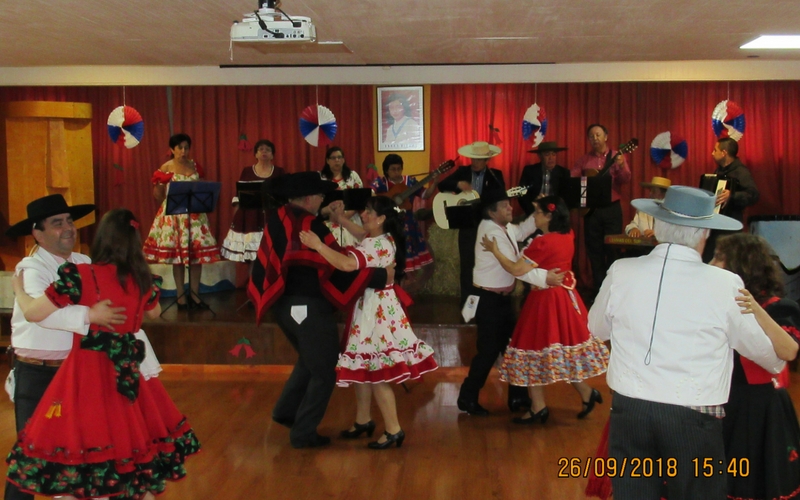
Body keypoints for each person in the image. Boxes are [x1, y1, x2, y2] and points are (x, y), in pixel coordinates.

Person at [588, 185, 793, 500]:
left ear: (656, 227)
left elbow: (596, 327)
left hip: (629, 409)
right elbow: (769, 356)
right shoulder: (724, 283)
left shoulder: (621, 270)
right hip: (693, 415)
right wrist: (776, 360)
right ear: (704, 235)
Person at [7, 208, 201, 500]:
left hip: (87, 375)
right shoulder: (141, 278)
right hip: (126, 376)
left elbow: (34, 312)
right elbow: (156, 311)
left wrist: (18, 291)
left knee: (78, 459)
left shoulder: (83, 274)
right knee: (129, 457)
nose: (69, 228)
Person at [248, 172, 393, 449]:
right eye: (321, 196)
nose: (323, 200)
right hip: (308, 307)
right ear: (310, 198)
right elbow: (338, 265)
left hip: (283, 306)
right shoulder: (310, 225)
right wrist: (378, 277)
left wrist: (330, 216)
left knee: (310, 360)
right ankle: (303, 433)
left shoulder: (281, 216)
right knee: (325, 370)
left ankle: (286, 412)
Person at [3, 194, 129, 500]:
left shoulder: (84, 262)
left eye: (70, 221)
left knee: (84, 449)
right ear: (38, 233)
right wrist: (91, 314)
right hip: (38, 374)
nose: (68, 228)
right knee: (31, 456)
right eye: (57, 223)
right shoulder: (31, 268)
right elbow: (43, 314)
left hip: (78, 371)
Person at [299, 196, 438, 449]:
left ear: (382, 218)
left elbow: (345, 263)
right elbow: (361, 232)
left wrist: (317, 245)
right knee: (364, 365)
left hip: (376, 312)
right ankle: (363, 420)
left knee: (377, 371)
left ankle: (394, 429)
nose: (363, 215)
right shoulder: (383, 238)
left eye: (369, 212)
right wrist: (340, 218)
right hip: (376, 307)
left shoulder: (375, 245)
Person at [482, 196, 609, 424]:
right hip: (565, 298)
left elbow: (515, 268)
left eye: (538, 213)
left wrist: (495, 250)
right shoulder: (567, 235)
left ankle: (539, 406)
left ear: (549, 216)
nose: (535, 217)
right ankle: (586, 393)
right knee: (562, 350)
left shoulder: (543, 243)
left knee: (531, 347)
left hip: (545, 301)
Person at [455, 188, 564, 416]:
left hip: (499, 300)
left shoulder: (501, 227)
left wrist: (536, 212)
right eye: (505, 206)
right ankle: (468, 396)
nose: (510, 208)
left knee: (514, 347)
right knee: (488, 351)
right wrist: (546, 278)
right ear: (492, 211)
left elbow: (522, 230)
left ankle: (517, 397)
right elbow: (516, 267)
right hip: (489, 300)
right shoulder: (491, 232)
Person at [711, 233, 800, 500]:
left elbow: (790, 350)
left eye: (719, 258)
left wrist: (754, 309)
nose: (712, 263)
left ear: (740, 267)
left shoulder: (779, 307)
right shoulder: (715, 305)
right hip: (718, 403)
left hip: (758, 409)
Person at [143, 133, 221, 310]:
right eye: (180, 148)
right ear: (172, 149)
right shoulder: (166, 167)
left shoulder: (195, 166)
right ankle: (180, 297)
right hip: (174, 216)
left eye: (186, 147)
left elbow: (201, 189)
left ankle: (195, 295)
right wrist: (159, 185)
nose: (183, 151)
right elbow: (158, 197)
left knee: (196, 258)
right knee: (177, 258)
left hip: (194, 216)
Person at [437, 141, 505, 305]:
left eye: (479, 159)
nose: (475, 162)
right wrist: (457, 184)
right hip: (466, 224)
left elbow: (501, 197)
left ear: (486, 160)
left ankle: (485, 301)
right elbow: (441, 185)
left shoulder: (495, 175)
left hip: (486, 225)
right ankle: (467, 303)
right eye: (473, 158)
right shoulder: (462, 172)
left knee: (486, 263)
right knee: (467, 265)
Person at [571, 124, 631, 297]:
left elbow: (626, 178)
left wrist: (620, 166)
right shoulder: (584, 161)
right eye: (591, 136)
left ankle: (612, 290)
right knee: (594, 250)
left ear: (606, 136)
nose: (595, 138)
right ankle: (599, 290)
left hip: (611, 209)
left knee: (612, 249)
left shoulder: (616, 156)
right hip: (592, 211)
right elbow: (573, 180)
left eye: (598, 135)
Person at [371, 153, 438, 284]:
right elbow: (371, 194)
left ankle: (407, 289)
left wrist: (434, 181)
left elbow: (425, 195)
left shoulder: (410, 182)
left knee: (407, 262)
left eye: (399, 168)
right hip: (388, 226)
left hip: (408, 226)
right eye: (393, 169)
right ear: (386, 170)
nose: (396, 172)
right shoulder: (380, 182)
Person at [221, 139, 286, 262]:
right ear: (255, 154)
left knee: (273, 256)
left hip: (272, 217)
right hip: (250, 217)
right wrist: (237, 215)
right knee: (253, 258)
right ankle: (253, 281)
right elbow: (239, 194)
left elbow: (284, 195)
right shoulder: (247, 171)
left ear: (272, 155)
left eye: (268, 150)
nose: (264, 152)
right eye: (261, 149)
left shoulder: (279, 172)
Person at [702, 137, 760, 262]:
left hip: (731, 228)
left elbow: (753, 194)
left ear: (724, 153)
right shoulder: (718, 171)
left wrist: (732, 195)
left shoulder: (741, 172)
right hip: (715, 227)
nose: (712, 153)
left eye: (715, 150)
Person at [319, 146, 365, 247]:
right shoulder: (321, 178)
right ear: (327, 160)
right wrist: (329, 213)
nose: (337, 160)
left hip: (350, 218)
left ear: (343, 160)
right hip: (329, 219)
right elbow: (316, 203)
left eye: (339, 157)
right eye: (333, 158)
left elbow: (360, 200)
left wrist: (344, 217)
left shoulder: (353, 176)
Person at [518, 141, 571, 216]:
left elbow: (567, 198)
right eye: (547, 154)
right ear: (539, 156)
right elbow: (522, 195)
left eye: (553, 154)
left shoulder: (563, 173)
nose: (551, 158)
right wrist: (532, 212)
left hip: (555, 214)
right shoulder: (530, 171)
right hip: (534, 212)